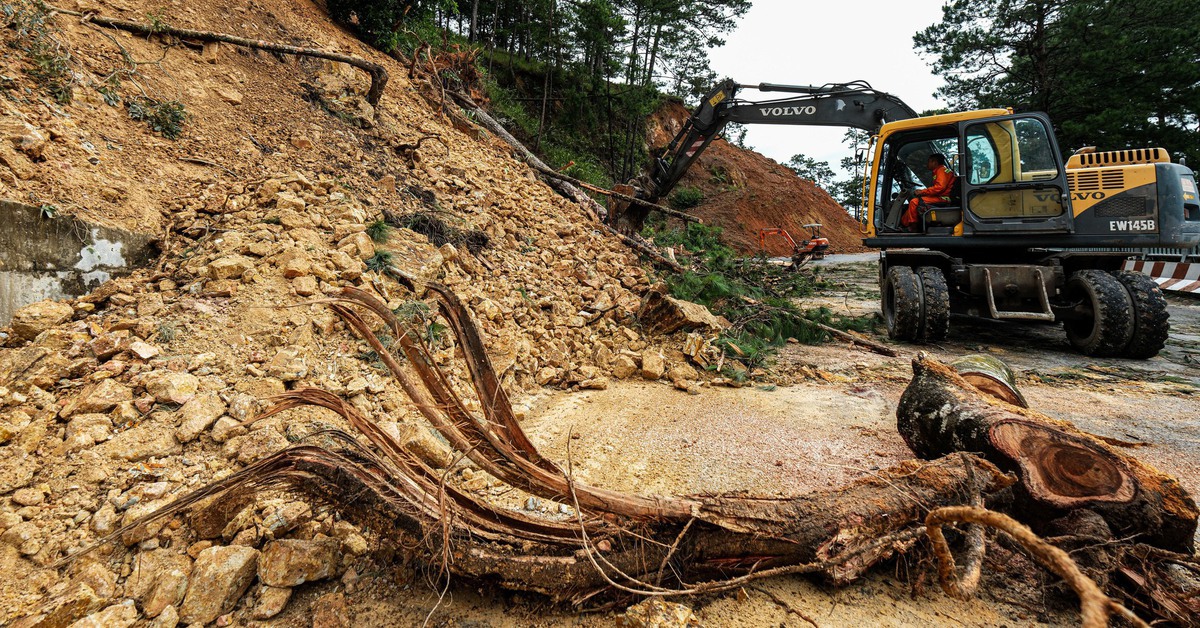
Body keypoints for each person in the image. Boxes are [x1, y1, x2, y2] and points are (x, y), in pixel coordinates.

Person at [901, 153, 957, 230]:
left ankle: (912, 228)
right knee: (917, 201)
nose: (927, 164)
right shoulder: (941, 171)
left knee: (914, 202)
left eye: (929, 161)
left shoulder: (941, 171)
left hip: (943, 198)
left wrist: (922, 192)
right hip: (941, 197)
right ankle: (904, 223)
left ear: (935, 162)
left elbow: (939, 188)